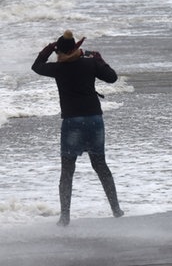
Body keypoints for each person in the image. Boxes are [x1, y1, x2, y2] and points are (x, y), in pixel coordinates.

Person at [31, 30, 124, 226]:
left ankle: (65, 217)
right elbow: (112, 78)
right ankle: (116, 210)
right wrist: (100, 59)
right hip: (94, 120)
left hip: (72, 123)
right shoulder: (90, 63)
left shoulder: (57, 69)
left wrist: (49, 48)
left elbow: (36, 66)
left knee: (67, 171)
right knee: (100, 165)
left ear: (59, 52)